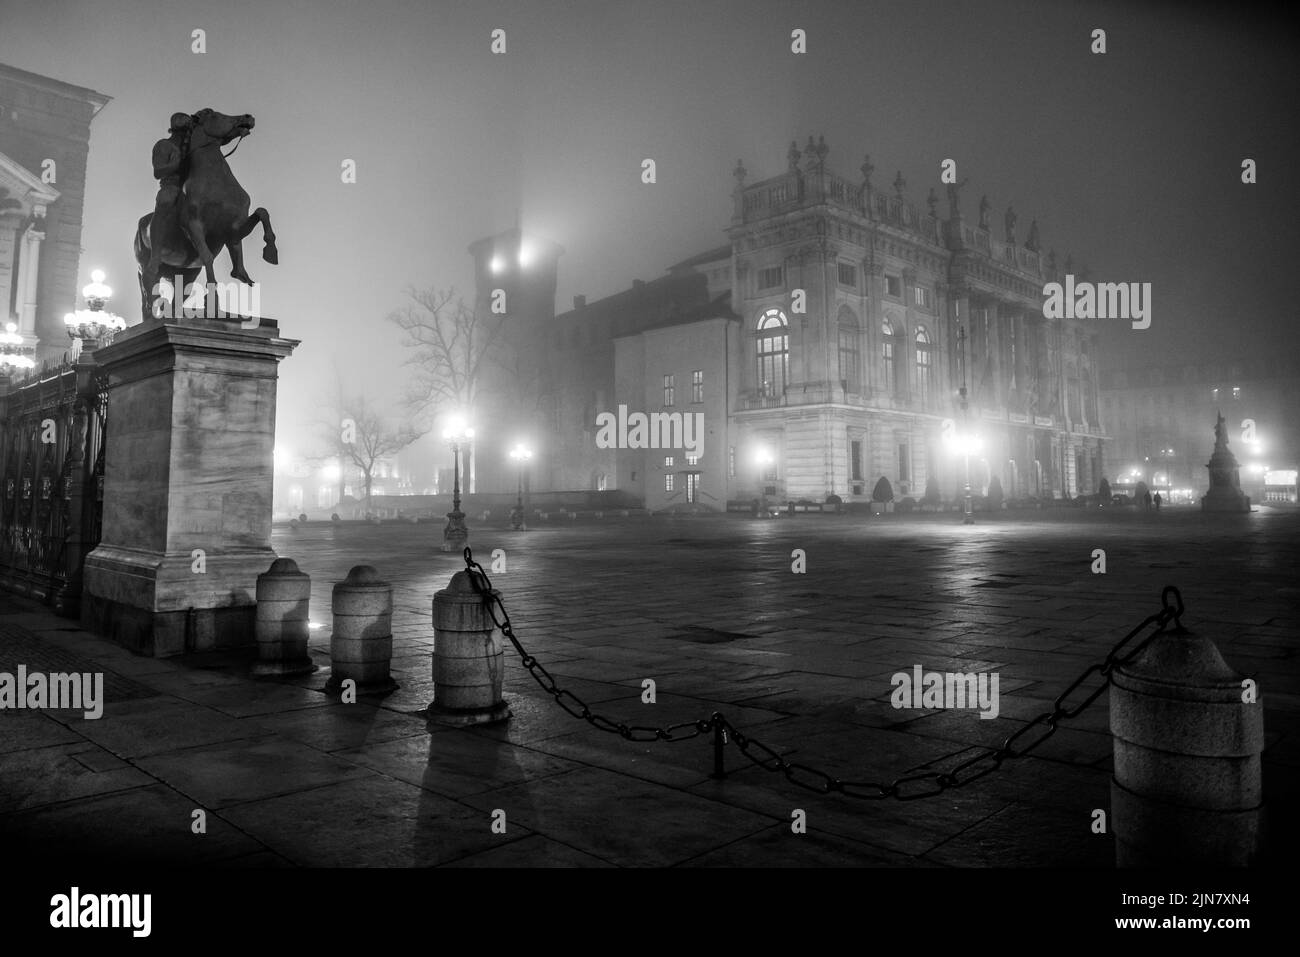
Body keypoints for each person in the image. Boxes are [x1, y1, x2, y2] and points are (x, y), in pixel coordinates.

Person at [144, 113, 193, 289]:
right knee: (165, 202)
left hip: (191, 189)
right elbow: (158, 172)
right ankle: (155, 256)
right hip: (171, 186)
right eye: (185, 130)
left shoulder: (191, 147)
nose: (187, 133)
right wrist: (175, 164)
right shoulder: (164, 145)